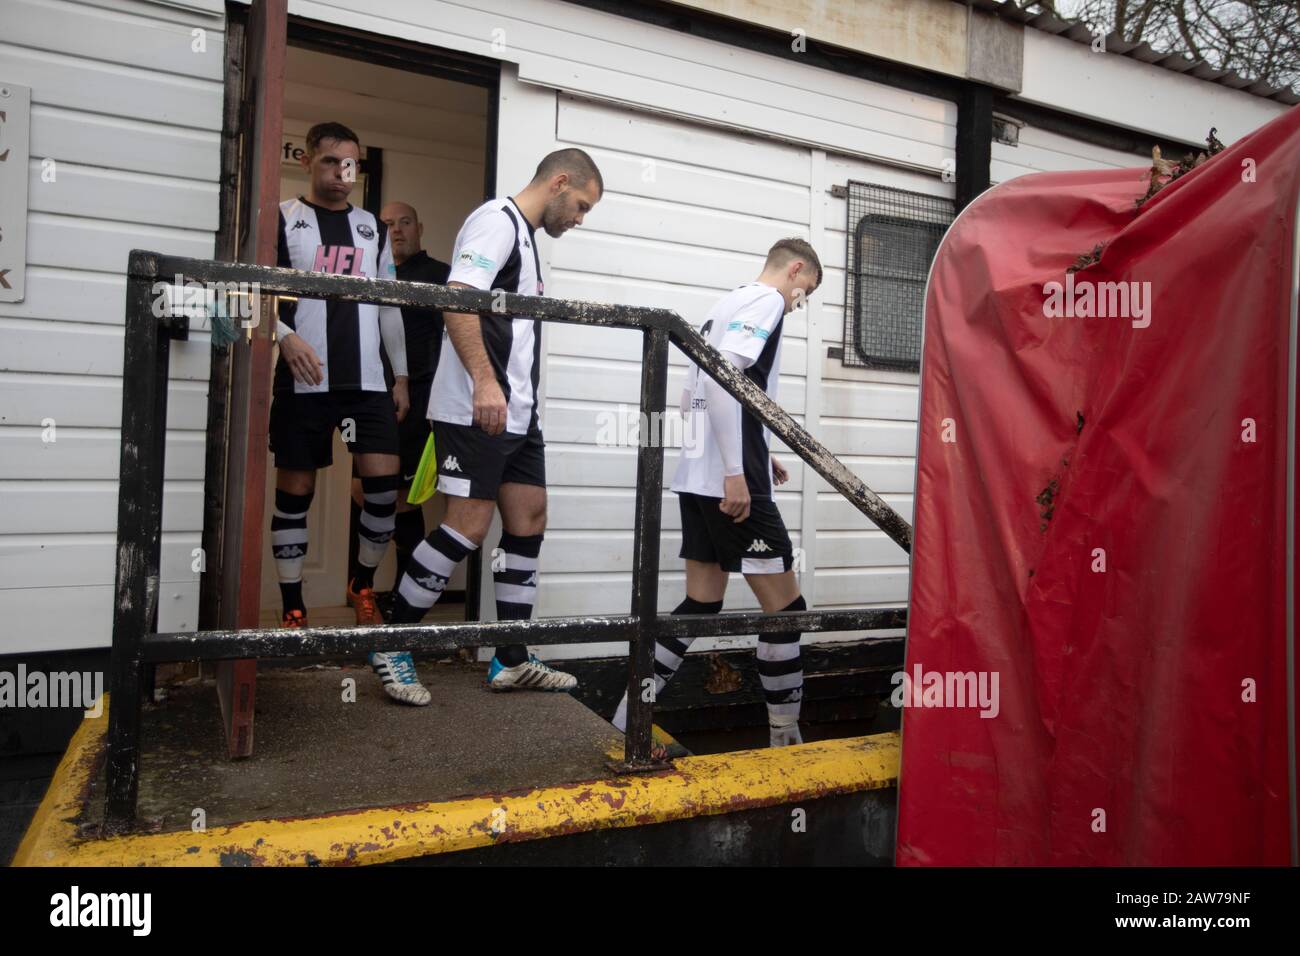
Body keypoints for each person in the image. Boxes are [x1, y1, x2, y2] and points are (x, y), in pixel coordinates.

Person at [387, 149, 603, 693]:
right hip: (475, 408)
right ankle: (391, 643)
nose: (580, 219)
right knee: (468, 527)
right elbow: (457, 301)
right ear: (558, 183)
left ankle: (509, 657)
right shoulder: (496, 222)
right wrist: (485, 382)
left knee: (529, 518)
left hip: (517, 415)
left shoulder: (526, 238)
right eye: (580, 206)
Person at [610, 238, 822, 748]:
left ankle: (624, 715)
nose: (799, 302)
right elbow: (727, 381)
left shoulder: (726, 302)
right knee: (786, 612)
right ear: (795, 269)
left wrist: (755, 448)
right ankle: (784, 735)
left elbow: (690, 396)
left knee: (701, 603)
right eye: (805, 291)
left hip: (695, 478)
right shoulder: (768, 302)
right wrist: (736, 468)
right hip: (731, 485)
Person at [267, 121, 427, 706]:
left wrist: (400, 374)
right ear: (310, 160)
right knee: (297, 490)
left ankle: (363, 587)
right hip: (306, 379)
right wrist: (283, 335)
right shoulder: (283, 217)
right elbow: (258, 292)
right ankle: (292, 606)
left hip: (366, 381)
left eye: (351, 164)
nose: (342, 173)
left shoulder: (370, 228)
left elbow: (388, 302)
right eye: (332, 162)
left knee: (384, 487)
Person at [346, 202, 451, 599]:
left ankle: (396, 593)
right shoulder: (371, 272)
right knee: (365, 489)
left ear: (419, 227)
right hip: (371, 393)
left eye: (404, 222)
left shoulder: (440, 276)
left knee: (401, 497)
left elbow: (451, 340)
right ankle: (369, 584)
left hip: (419, 394)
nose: (396, 230)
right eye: (387, 224)